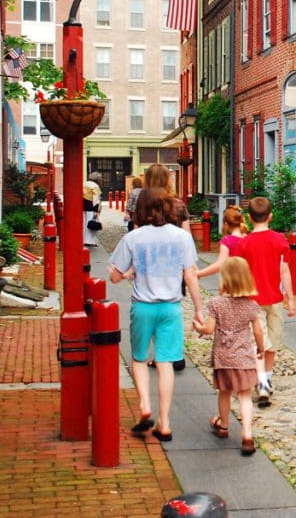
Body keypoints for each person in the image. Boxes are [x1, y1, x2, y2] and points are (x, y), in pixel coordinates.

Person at [109, 187, 203, 442]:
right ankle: (164, 423)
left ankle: (144, 405)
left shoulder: (134, 238)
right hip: (171, 307)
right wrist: (198, 309)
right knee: (165, 364)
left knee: (139, 359)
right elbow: (190, 274)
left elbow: (115, 276)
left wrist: (129, 273)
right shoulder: (181, 238)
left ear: (140, 209)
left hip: (142, 306)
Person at [191, 256, 264, 456]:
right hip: (244, 358)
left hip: (223, 357)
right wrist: (260, 348)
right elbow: (258, 331)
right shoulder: (251, 305)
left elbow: (209, 329)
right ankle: (247, 434)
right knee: (245, 395)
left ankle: (223, 425)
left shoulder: (216, 303)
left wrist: (199, 327)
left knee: (224, 392)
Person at [232, 197, 295, 408]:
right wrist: (291, 299)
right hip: (275, 298)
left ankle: (262, 384)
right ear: (271, 216)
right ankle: (266, 381)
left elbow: (239, 275)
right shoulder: (279, 240)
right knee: (272, 344)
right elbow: (284, 271)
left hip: (252, 301)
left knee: (258, 344)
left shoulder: (243, 244)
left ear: (248, 218)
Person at [142, 163, 191, 372]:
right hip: (174, 264)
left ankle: (160, 354)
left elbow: (137, 234)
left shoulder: (143, 205)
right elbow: (187, 235)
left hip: (150, 264)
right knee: (173, 308)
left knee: (152, 308)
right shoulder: (178, 205)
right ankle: (176, 353)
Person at [198, 206, 249, 279]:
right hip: (248, 281)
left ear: (226, 224)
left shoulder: (227, 241)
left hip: (232, 281)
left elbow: (219, 264)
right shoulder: (247, 238)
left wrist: (198, 273)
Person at [83, 172, 102, 247]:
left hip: (83, 206)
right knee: (91, 224)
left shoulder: (84, 183)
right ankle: (91, 241)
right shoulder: (95, 186)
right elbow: (96, 199)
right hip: (91, 207)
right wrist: (96, 210)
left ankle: (84, 240)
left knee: (84, 224)